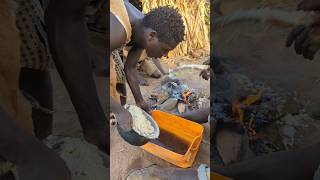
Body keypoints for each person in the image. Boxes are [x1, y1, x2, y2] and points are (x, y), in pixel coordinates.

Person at [110, 0, 185, 130]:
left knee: (118, 87)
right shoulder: (118, 33)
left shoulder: (143, 31)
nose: (165, 55)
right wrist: (119, 111)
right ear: (152, 36)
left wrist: (140, 101)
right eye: (165, 49)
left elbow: (131, 68)